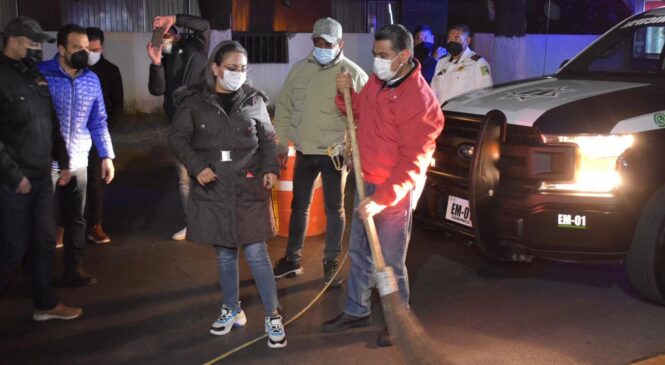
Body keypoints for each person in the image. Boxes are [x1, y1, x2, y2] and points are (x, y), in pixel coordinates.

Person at [321, 24, 444, 347]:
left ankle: (397, 318)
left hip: (393, 193)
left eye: (383, 56)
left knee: (389, 261)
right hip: (365, 181)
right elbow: (355, 111)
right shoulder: (378, 82)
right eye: (375, 55)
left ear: (404, 56)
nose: (377, 62)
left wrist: (383, 198)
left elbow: (413, 162)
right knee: (360, 252)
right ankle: (356, 309)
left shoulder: (422, 102)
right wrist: (343, 92)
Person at [168, 41, 287, 349]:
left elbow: (269, 138)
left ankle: (273, 314)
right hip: (213, 183)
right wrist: (197, 167)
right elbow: (178, 138)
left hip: (248, 183)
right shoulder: (193, 101)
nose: (239, 74)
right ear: (216, 68)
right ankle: (232, 308)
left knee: (256, 252)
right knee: (224, 254)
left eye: (243, 69)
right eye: (232, 68)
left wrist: (270, 168)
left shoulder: (253, 100)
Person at [272, 17, 367, 286]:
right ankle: (292, 260)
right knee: (299, 206)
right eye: (317, 42)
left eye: (328, 42)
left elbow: (366, 116)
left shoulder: (353, 74)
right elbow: (285, 108)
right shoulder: (299, 70)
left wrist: (354, 149)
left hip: (334, 155)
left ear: (340, 43)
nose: (322, 46)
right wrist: (281, 143)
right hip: (304, 151)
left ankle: (331, 261)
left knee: (334, 208)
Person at [0, 16, 82, 320]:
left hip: (41, 176)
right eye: (31, 42)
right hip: (13, 182)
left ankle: (45, 305)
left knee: (44, 243)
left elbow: (51, 122)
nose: (37, 48)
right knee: (11, 249)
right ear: (13, 40)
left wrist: (63, 162)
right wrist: (12, 174)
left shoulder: (34, 76)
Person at [39, 24, 115, 287]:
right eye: (76, 47)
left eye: (86, 47)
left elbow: (98, 120)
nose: (83, 52)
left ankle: (74, 268)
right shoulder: (42, 75)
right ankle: (39, 275)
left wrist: (106, 155)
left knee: (76, 219)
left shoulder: (91, 79)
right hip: (46, 163)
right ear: (61, 49)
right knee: (43, 221)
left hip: (80, 159)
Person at [147, 14, 210, 241]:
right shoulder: (162, 59)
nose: (163, 39)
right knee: (184, 177)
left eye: (166, 34)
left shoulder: (195, 47)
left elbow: (204, 25)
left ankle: (213, 221)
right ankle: (192, 223)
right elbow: (156, 90)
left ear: (175, 33)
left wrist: (173, 18)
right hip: (178, 125)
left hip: (203, 122)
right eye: (159, 36)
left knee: (208, 172)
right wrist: (155, 62)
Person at [84, 26, 124, 244]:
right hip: (72, 136)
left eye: (95, 49)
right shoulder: (74, 69)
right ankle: (62, 225)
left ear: (102, 48)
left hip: (98, 134)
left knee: (96, 181)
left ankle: (95, 224)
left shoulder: (110, 70)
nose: (91, 53)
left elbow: (117, 104)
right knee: (66, 178)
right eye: (87, 49)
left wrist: (107, 130)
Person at [430, 24, 493, 106]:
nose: (452, 41)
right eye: (449, 38)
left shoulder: (478, 63)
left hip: (463, 115)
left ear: (467, 41)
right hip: (442, 114)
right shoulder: (441, 62)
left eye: (457, 38)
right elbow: (433, 92)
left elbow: (485, 95)